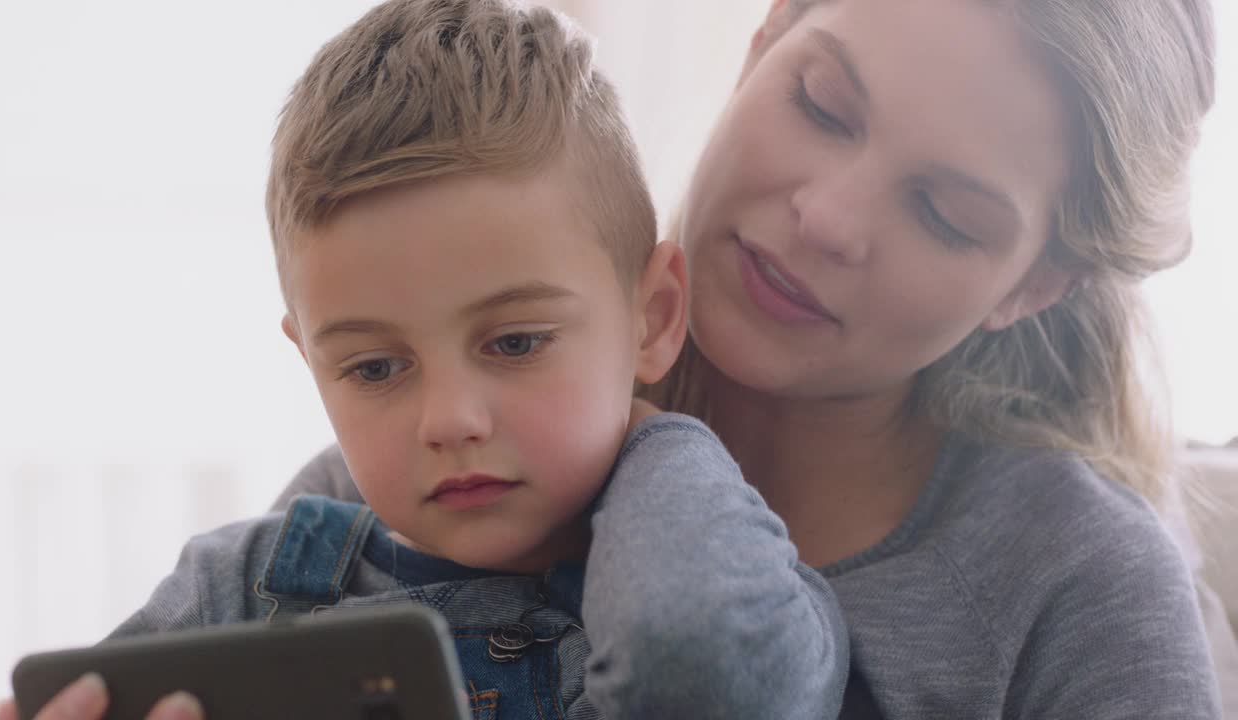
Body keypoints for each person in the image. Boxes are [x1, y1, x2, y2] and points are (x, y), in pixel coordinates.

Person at [278, 0, 1227, 716]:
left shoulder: (1080, 588)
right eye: (822, 105)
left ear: (1034, 285)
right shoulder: (396, 495)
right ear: (765, 40)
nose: (828, 218)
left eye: (944, 214)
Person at [0, 1, 849, 719]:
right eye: (373, 368)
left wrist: (656, 442)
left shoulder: (736, 586)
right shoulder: (233, 594)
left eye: (514, 343)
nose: (448, 421)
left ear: (655, 317)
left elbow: (702, 663)